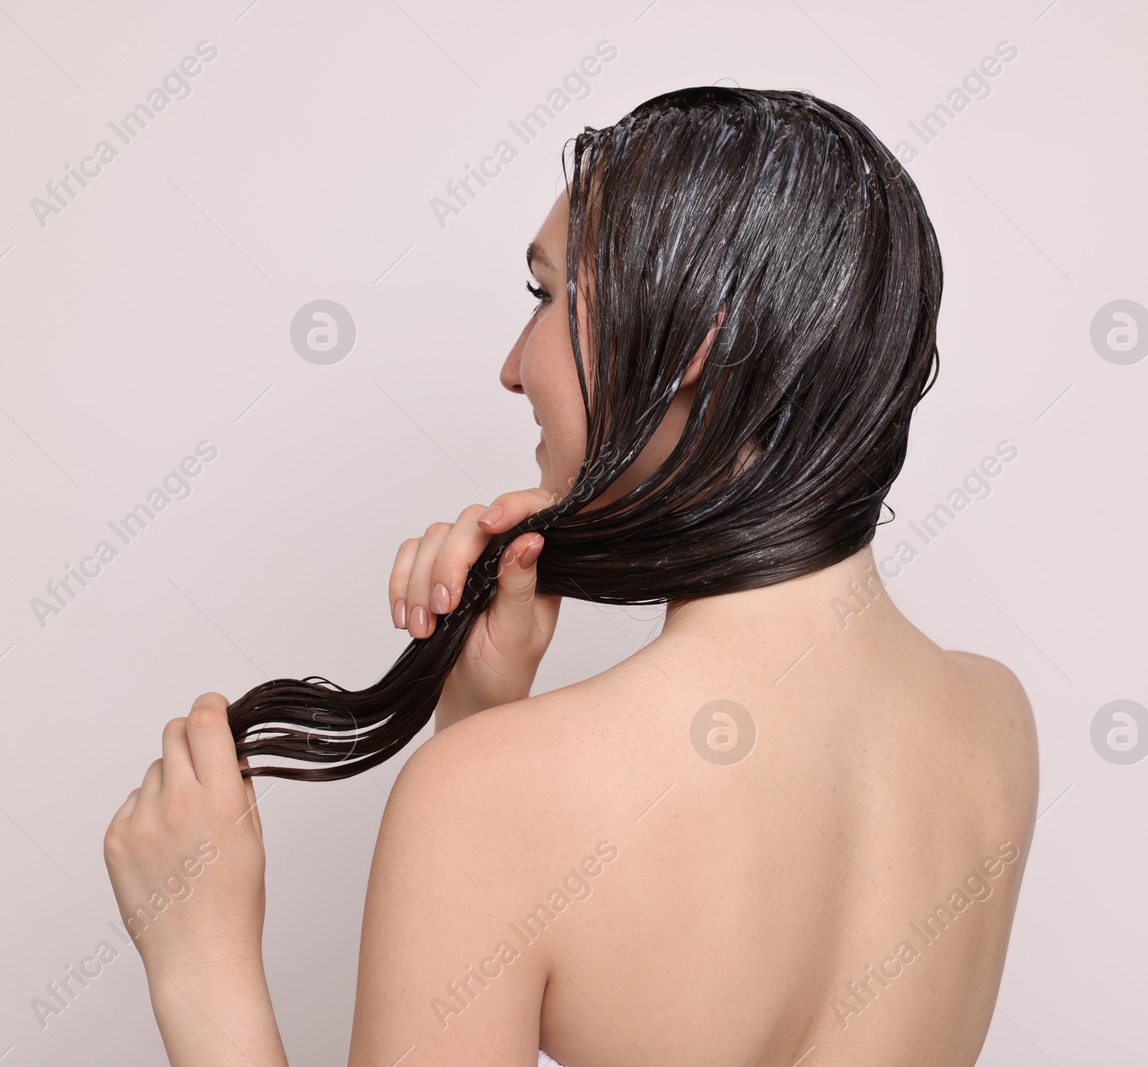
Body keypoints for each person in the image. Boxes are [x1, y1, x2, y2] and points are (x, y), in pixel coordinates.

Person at [102, 87, 1039, 1067]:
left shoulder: (489, 802)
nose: (513, 367)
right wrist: (481, 722)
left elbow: (513, 840)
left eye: (545, 296)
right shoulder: (993, 723)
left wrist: (198, 964)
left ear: (693, 345)